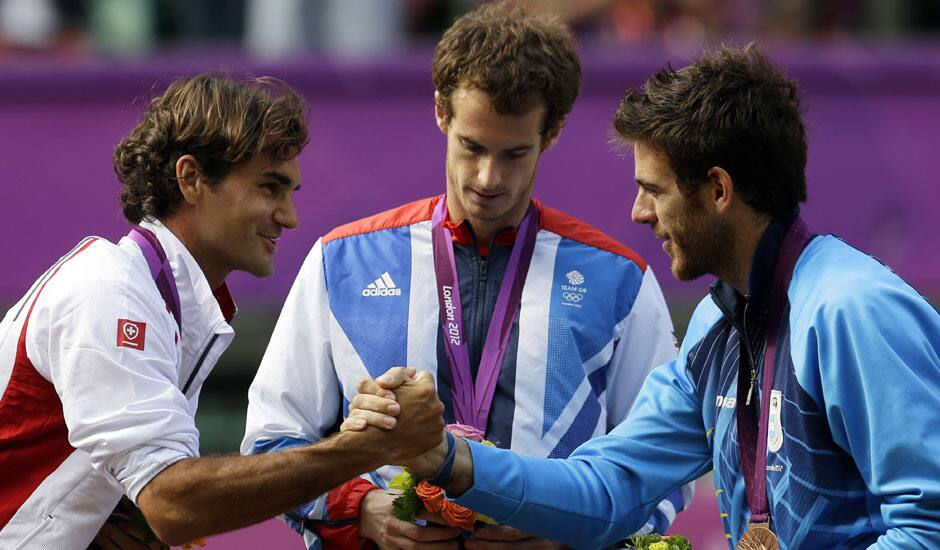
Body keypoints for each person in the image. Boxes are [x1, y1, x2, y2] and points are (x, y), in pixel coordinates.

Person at [347, 44, 940, 548]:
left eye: (653, 190)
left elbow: (930, 525)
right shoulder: (718, 323)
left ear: (717, 190)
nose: (638, 212)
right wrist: (443, 458)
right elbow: (608, 488)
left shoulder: (853, 310)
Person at [242, 3, 688, 549]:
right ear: (440, 113)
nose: (487, 178)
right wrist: (364, 509)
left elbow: (662, 471)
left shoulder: (620, 280)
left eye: (514, 153)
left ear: (553, 133)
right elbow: (269, 446)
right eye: (471, 146)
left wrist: (567, 529)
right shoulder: (342, 261)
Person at [0, 73, 445, 549]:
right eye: (270, 188)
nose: (289, 215)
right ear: (191, 179)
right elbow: (172, 503)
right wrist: (371, 446)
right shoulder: (111, 294)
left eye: (290, 192)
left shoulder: (157, 298)